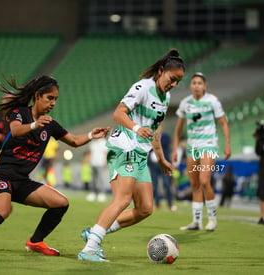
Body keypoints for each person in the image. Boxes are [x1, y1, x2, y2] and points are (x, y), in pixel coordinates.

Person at [0, 75, 109, 256]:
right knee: (2, 211)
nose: (53, 103)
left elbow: (73, 141)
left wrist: (90, 135)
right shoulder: (19, 113)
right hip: (0, 176)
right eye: (50, 98)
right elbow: (15, 130)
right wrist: (34, 124)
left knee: (61, 203)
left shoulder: (50, 124)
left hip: (22, 181)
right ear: (37, 96)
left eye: (56, 99)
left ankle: (35, 242)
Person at [78, 49, 185, 262]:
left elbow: (154, 131)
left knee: (145, 208)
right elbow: (118, 113)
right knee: (122, 200)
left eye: (178, 82)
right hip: (124, 148)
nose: (173, 85)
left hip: (141, 153)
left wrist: (161, 158)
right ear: (161, 71)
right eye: (172, 79)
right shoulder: (143, 87)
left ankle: (96, 231)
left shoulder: (166, 98)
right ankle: (90, 248)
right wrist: (136, 128)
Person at [172, 72, 231, 231]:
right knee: (195, 184)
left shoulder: (212, 101)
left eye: (199, 83)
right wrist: (175, 149)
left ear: (204, 86)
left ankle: (212, 219)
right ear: (190, 86)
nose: (196, 86)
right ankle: (196, 221)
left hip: (209, 144)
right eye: (194, 83)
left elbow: (224, 123)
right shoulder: (185, 103)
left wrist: (227, 144)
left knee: (204, 181)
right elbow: (178, 129)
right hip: (192, 147)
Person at [148, 132, 176, 210]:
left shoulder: (165, 136)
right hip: (153, 165)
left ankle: (170, 204)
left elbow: (163, 144)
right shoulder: (148, 134)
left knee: (167, 184)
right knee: (155, 185)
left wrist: (155, 139)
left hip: (164, 164)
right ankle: (157, 204)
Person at [87, 137, 108, 202]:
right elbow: (90, 153)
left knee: (101, 179)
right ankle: (93, 193)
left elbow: (106, 153)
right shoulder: (92, 142)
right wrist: (88, 161)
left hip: (100, 163)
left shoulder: (103, 142)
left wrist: (105, 162)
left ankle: (102, 194)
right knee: (93, 179)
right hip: (93, 163)